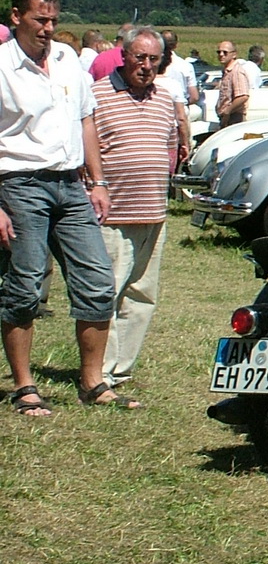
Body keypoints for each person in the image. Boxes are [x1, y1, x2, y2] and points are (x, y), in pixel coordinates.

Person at [0, 0, 120, 415]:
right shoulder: (2, 65)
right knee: (26, 285)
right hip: (20, 184)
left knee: (97, 281)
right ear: (17, 16)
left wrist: (98, 182)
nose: (48, 28)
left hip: (71, 184)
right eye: (40, 19)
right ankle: (25, 387)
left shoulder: (68, 59)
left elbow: (85, 119)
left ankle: (93, 382)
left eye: (53, 20)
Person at [91, 28, 189, 392]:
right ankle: (100, 370)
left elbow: (169, 146)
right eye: (139, 57)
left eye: (154, 59)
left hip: (153, 212)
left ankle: (122, 368)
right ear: (124, 56)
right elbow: (85, 150)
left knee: (142, 295)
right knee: (108, 293)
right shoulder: (97, 95)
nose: (146, 66)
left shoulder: (164, 98)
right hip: (112, 214)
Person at [214, 40, 251, 128]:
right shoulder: (227, 72)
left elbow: (243, 96)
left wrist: (227, 111)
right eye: (219, 52)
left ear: (234, 54)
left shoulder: (237, 71)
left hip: (234, 118)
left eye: (225, 52)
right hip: (227, 117)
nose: (221, 54)